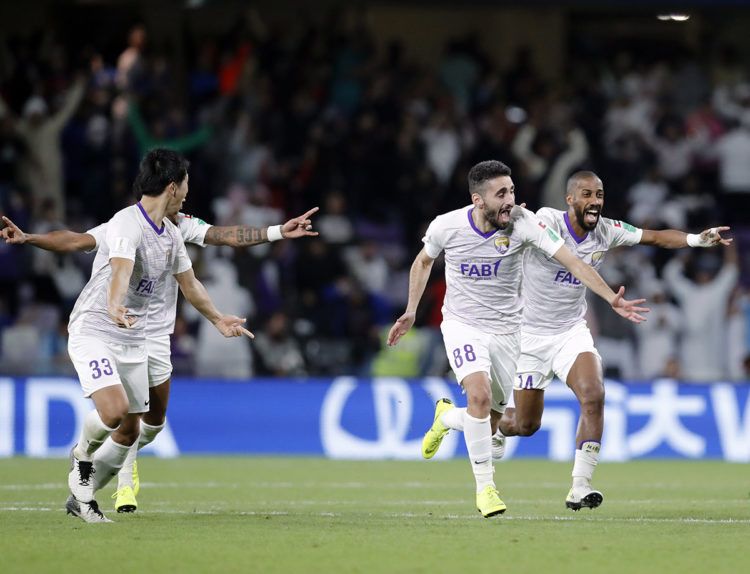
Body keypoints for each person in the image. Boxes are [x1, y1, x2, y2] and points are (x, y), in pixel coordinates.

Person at [1, 200, 318, 515]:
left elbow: (224, 236)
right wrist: (29, 238)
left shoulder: (178, 226)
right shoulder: (123, 226)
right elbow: (76, 239)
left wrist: (277, 231)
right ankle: (114, 480)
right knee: (126, 419)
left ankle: (118, 461)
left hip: (156, 335)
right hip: (119, 327)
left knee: (152, 424)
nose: (183, 198)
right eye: (181, 188)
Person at [386, 160, 648, 518]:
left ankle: (447, 418)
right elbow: (422, 262)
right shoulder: (446, 226)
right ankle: (486, 489)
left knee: (491, 421)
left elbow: (573, 261)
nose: (511, 199)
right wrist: (412, 309)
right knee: (478, 396)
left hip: (510, 332)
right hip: (463, 325)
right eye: (502, 193)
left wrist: (609, 297)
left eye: (512, 191)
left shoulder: (527, 224)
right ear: (479, 201)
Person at [18, 149, 254, 522]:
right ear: (173, 187)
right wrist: (114, 305)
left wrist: (217, 319)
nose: (189, 192)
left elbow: (190, 284)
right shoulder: (127, 224)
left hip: (135, 337)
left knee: (130, 433)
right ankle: (81, 454)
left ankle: (82, 496)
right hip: (96, 328)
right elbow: (120, 271)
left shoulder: (172, 235)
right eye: (187, 184)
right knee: (112, 412)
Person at [494, 171, 731, 511]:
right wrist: (509, 213)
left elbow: (654, 237)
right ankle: (490, 422)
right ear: (570, 199)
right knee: (525, 425)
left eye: (600, 195)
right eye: (587, 194)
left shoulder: (606, 230)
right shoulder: (547, 221)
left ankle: (580, 486)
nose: (596, 202)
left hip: (570, 333)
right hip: (528, 337)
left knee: (593, 394)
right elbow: (568, 260)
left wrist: (695, 240)